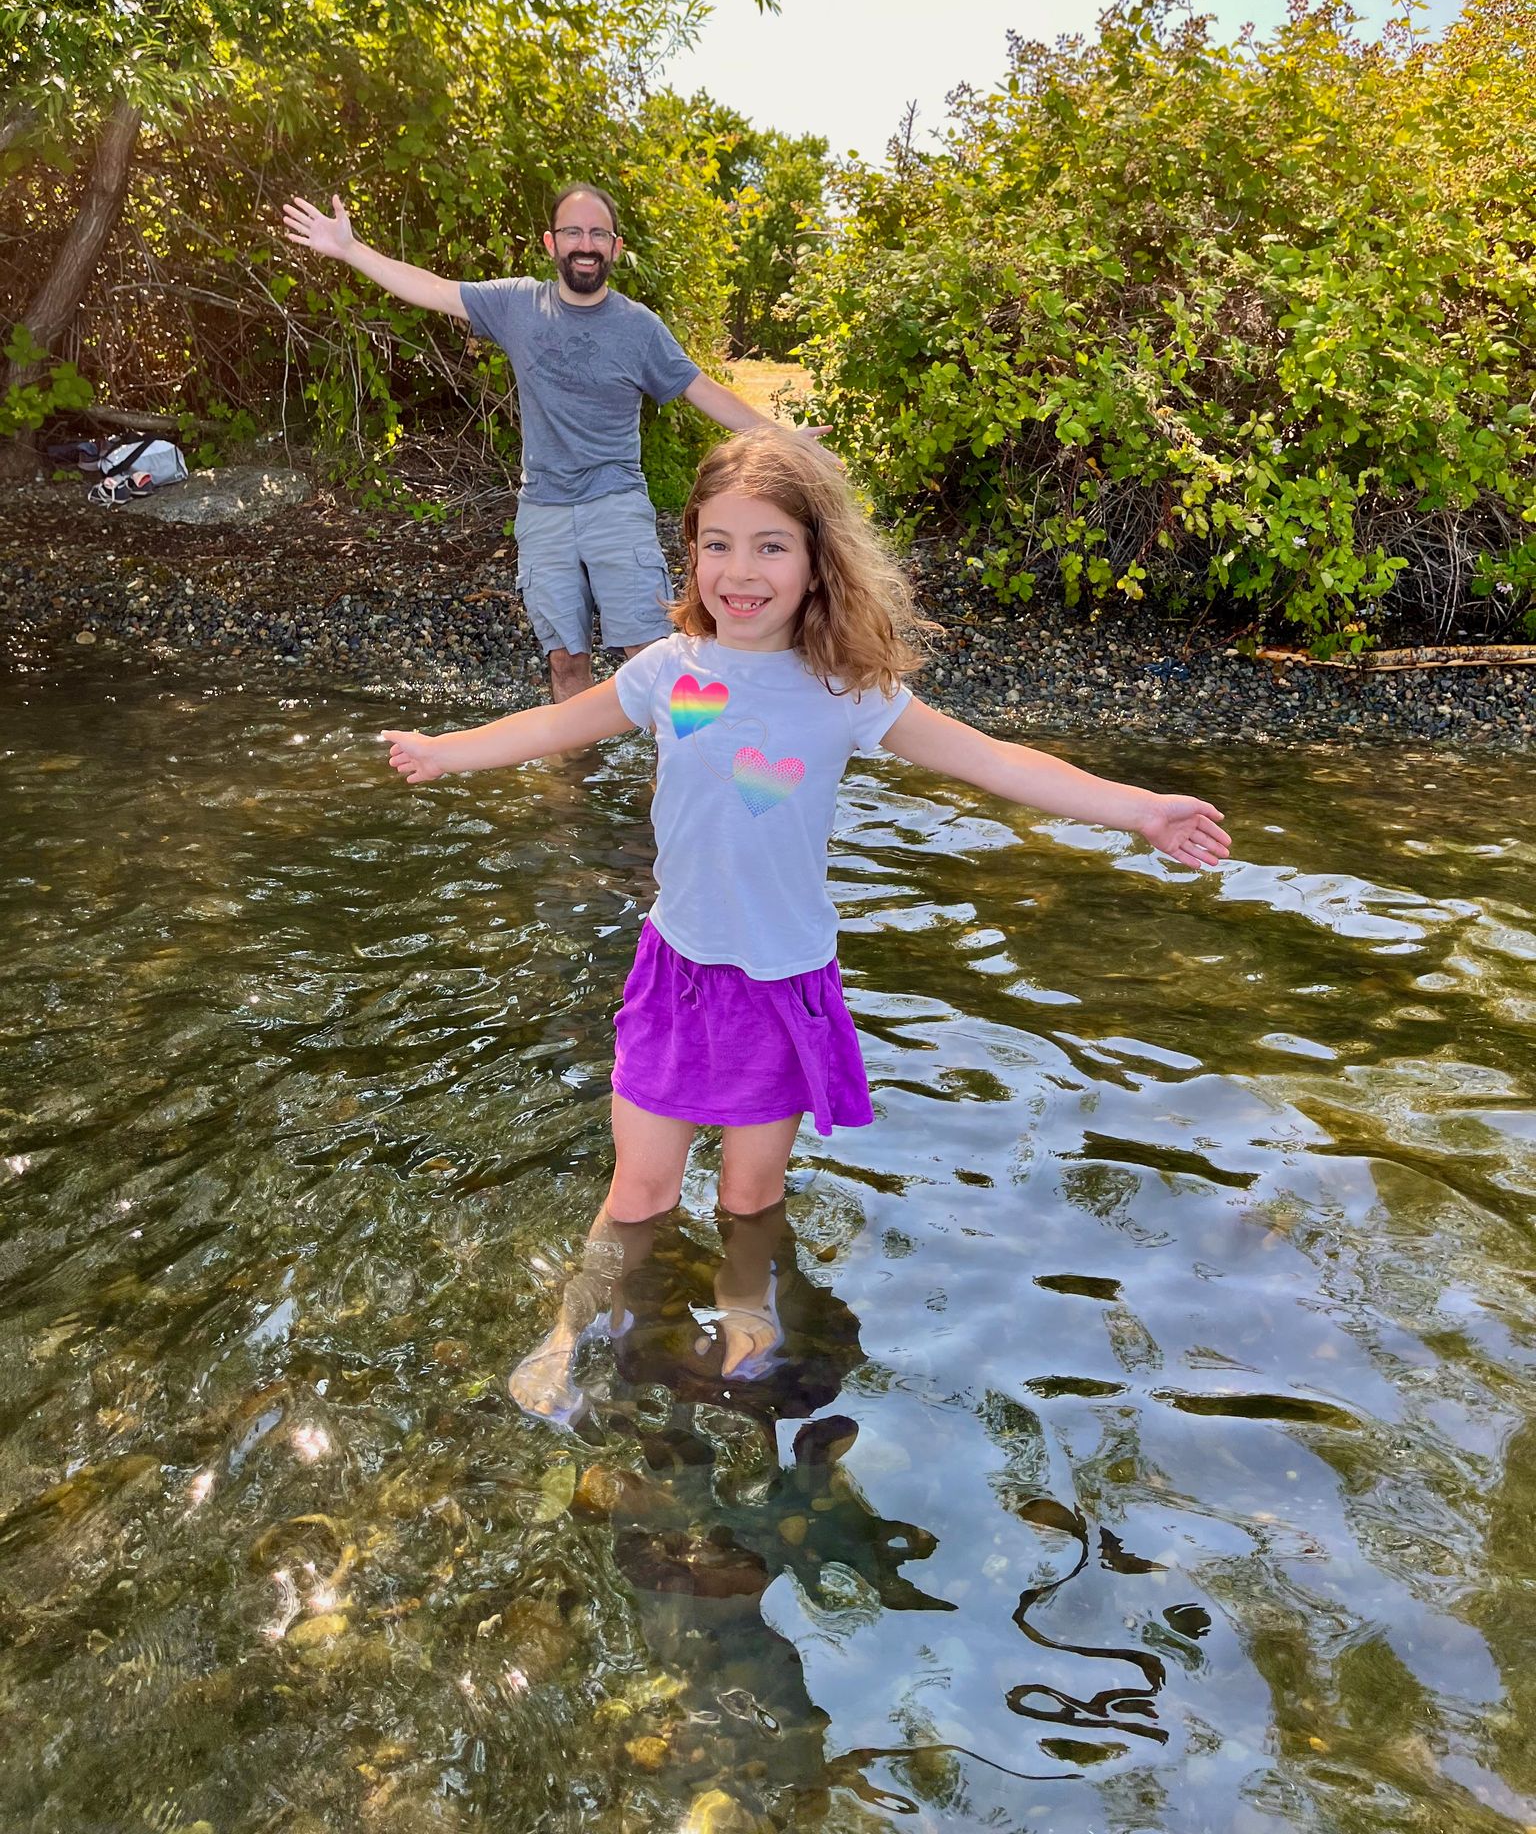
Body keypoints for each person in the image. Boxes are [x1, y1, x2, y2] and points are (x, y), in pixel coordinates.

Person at [380, 427, 1232, 1420]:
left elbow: (995, 762)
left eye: (770, 545)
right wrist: (450, 750)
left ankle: (746, 1302)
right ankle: (571, 1326)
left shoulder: (847, 691)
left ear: (816, 557)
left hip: (780, 982)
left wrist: (1140, 808)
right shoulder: (670, 672)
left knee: (749, 1194)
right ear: (691, 549)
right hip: (677, 971)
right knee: (640, 1188)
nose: (741, 571)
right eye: (718, 543)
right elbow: (551, 725)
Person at [282, 180, 810, 702]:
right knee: (564, 659)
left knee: (651, 656)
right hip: (543, 510)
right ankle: (573, 780)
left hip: (615, 503)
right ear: (550, 243)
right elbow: (434, 289)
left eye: (598, 234)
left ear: (616, 248)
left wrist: (783, 438)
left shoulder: (639, 328)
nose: (586, 244)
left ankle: (670, 780)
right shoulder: (518, 306)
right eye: (573, 232)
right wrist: (350, 249)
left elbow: (702, 390)